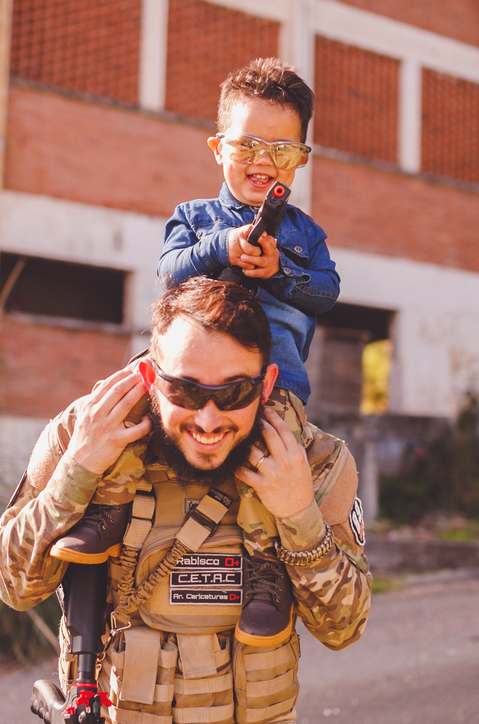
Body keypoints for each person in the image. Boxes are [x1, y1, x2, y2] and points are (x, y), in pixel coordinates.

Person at [0, 278, 370, 724]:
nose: (209, 419)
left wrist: (298, 514)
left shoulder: (314, 460)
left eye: (234, 392)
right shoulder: (89, 433)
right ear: (151, 376)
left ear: (266, 384)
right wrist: (75, 475)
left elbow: (344, 627)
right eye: (186, 391)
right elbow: (14, 585)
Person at [48, 58, 338, 650]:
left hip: (269, 382)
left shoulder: (304, 232)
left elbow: (326, 292)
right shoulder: (193, 217)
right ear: (217, 148)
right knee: (124, 401)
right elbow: (169, 270)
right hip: (180, 370)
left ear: (302, 159)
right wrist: (222, 247)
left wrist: (281, 272)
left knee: (276, 451)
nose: (265, 160)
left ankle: (266, 570)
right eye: (250, 144)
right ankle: (108, 508)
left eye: (284, 150)